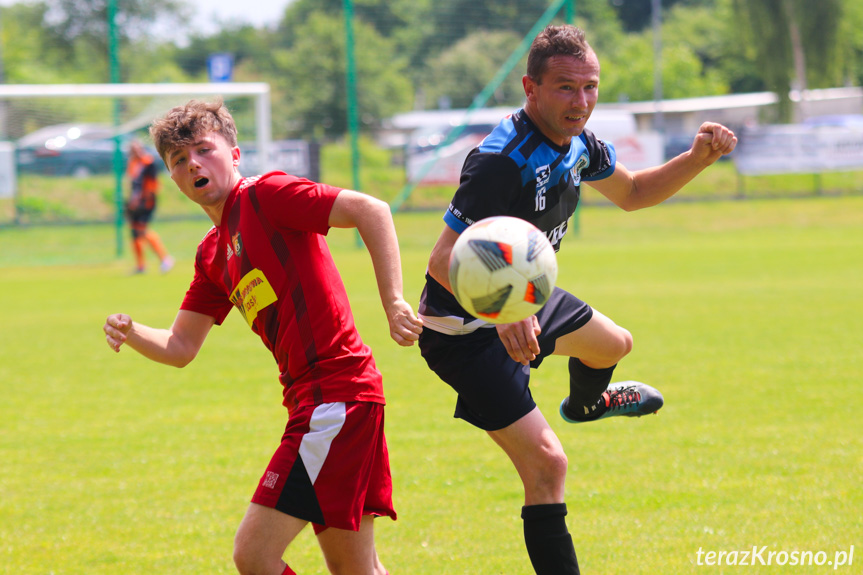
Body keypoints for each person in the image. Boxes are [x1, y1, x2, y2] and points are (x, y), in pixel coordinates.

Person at [417, 25, 737, 575]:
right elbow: (441, 259)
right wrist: (503, 315)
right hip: (465, 331)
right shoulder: (500, 161)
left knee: (614, 345)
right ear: (530, 88)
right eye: (566, 87)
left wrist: (698, 159)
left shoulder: (580, 145)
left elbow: (634, 193)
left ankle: (586, 406)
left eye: (590, 87)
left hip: (523, 301)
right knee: (547, 468)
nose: (581, 101)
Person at [103, 99, 423, 575]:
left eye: (203, 150)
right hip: (324, 403)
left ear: (233, 154)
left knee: (253, 555)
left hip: (334, 398)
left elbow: (370, 209)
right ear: (172, 178)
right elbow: (180, 347)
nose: (192, 163)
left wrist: (394, 300)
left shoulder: (266, 195)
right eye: (178, 160)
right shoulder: (212, 253)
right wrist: (131, 333)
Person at [125, 139, 174, 274]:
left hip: (146, 202)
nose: (135, 152)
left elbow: (152, 185)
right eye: (132, 150)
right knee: (134, 232)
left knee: (142, 230)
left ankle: (165, 259)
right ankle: (141, 266)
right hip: (135, 202)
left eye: (137, 149)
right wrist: (131, 200)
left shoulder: (148, 163)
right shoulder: (133, 164)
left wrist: (143, 200)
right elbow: (133, 184)